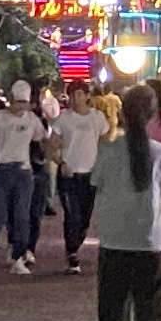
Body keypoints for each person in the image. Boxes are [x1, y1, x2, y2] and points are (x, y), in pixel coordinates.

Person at [93, 76, 161, 321]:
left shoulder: (109, 151)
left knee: (112, 314)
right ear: (153, 115)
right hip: (151, 240)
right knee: (151, 315)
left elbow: (97, 183)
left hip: (114, 239)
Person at [0, 92, 46, 275]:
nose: (21, 106)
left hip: (23, 172)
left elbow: (42, 140)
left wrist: (49, 155)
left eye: (24, 102)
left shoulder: (32, 119)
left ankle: (18, 257)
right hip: (1, 170)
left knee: (22, 215)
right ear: (11, 100)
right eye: (18, 102)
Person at [51, 86, 109, 273]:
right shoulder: (64, 119)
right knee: (72, 214)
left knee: (85, 216)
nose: (75, 99)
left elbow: (104, 142)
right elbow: (52, 144)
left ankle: (77, 242)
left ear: (87, 96)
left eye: (79, 94)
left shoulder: (97, 117)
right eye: (72, 95)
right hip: (69, 174)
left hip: (90, 174)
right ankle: (72, 253)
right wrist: (61, 162)